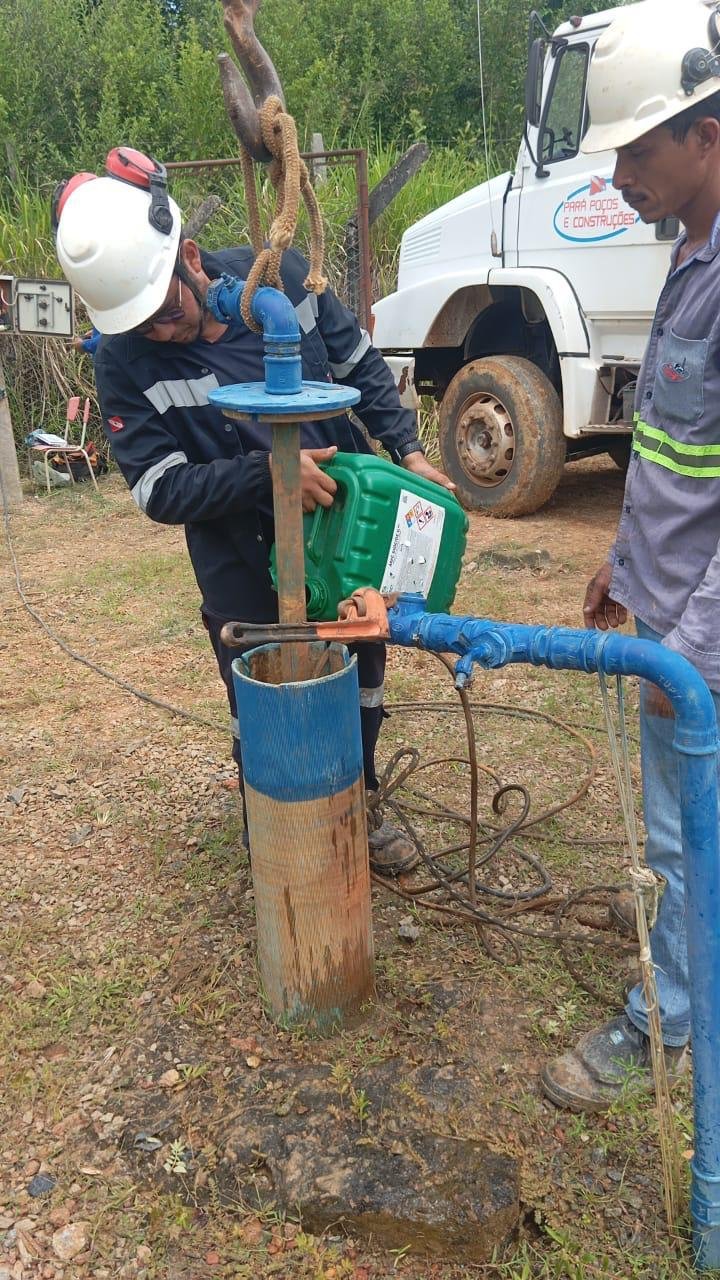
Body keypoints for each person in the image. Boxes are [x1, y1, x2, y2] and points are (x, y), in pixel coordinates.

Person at [53, 149, 454, 874]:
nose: (158, 333)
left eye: (166, 311)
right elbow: (158, 490)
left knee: (360, 663)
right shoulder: (121, 358)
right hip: (237, 552)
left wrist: (410, 449)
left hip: (343, 526)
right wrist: (267, 476)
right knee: (262, 692)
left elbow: (360, 364)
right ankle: (272, 825)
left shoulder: (286, 280)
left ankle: (358, 805)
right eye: (138, 325)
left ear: (192, 257)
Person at [541, 0, 720, 1112]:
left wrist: (687, 652)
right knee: (680, 825)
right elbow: (669, 444)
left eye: (635, 150)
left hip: (700, 638)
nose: (618, 180)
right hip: (666, 601)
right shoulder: (692, 250)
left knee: (683, 824)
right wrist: (623, 557)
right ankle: (686, 939)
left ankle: (669, 1014)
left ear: (706, 128)